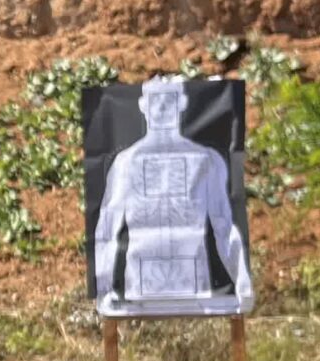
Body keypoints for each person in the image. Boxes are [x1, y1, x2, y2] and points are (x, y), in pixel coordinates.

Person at [93, 75, 250, 315]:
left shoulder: (206, 160)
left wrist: (242, 280)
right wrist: (103, 287)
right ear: (143, 106)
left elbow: (224, 228)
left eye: (169, 99)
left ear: (183, 103)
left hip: (195, 286)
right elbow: (107, 229)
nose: (163, 107)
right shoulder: (126, 163)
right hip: (139, 290)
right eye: (156, 100)